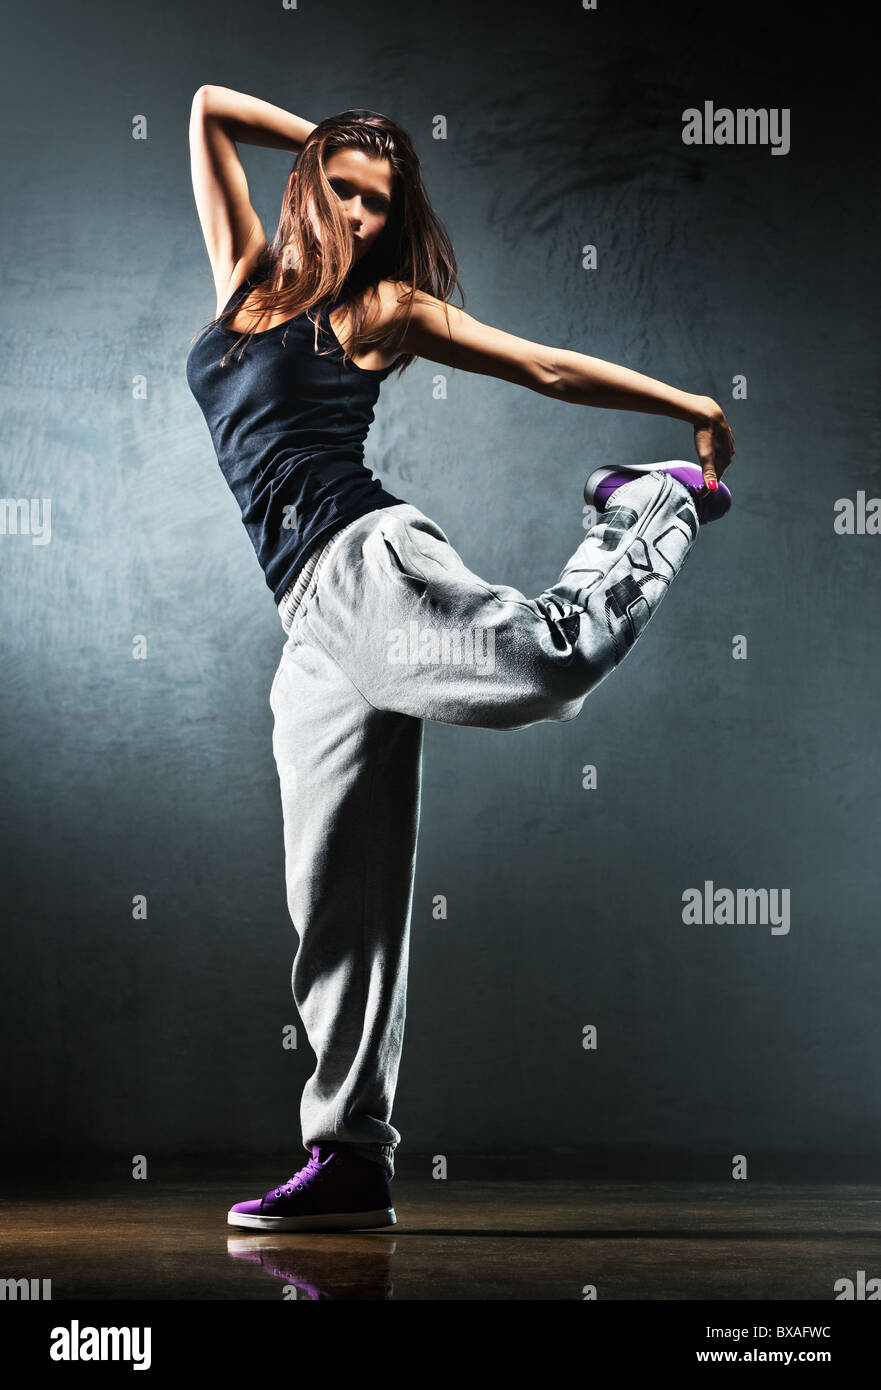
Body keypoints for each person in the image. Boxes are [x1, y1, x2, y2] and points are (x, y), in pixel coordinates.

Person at [185, 85, 736, 1234]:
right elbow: (204, 110)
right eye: (338, 188)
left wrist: (684, 402)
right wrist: (333, 142)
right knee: (338, 902)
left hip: (362, 559)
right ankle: (346, 1161)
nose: (354, 210)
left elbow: (537, 365)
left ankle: (646, 508)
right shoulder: (243, 276)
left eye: (377, 202)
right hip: (309, 628)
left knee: (545, 664)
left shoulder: (380, 307)